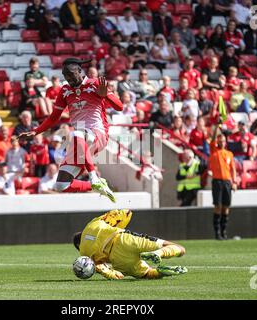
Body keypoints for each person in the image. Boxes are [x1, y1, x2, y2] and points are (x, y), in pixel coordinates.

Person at [18, 58, 123, 202]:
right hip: (80, 142)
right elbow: (54, 118)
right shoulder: (65, 91)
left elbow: (119, 107)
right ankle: (97, 186)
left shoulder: (95, 83)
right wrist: (36, 131)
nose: (69, 79)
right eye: (66, 77)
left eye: (71, 75)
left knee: (75, 132)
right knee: (62, 184)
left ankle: (93, 176)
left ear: (80, 71)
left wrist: (106, 96)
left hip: (97, 133)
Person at [73, 209, 187, 280]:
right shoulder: (92, 224)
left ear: (78, 245)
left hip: (118, 260)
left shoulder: (84, 253)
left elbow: (105, 271)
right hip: (123, 240)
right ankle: (158, 253)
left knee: (146, 274)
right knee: (179, 249)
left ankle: (161, 272)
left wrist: (112, 273)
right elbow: (125, 213)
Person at [209, 122, 237, 240]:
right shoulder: (214, 150)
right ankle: (217, 233)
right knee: (217, 206)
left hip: (227, 182)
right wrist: (217, 128)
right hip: (217, 182)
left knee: (226, 207)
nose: (221, 142)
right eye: (220, 140)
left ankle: (224, 231)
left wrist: (234, 182)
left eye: (223, 140)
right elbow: (213, 138)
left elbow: (233, 169)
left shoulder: (229, 154)